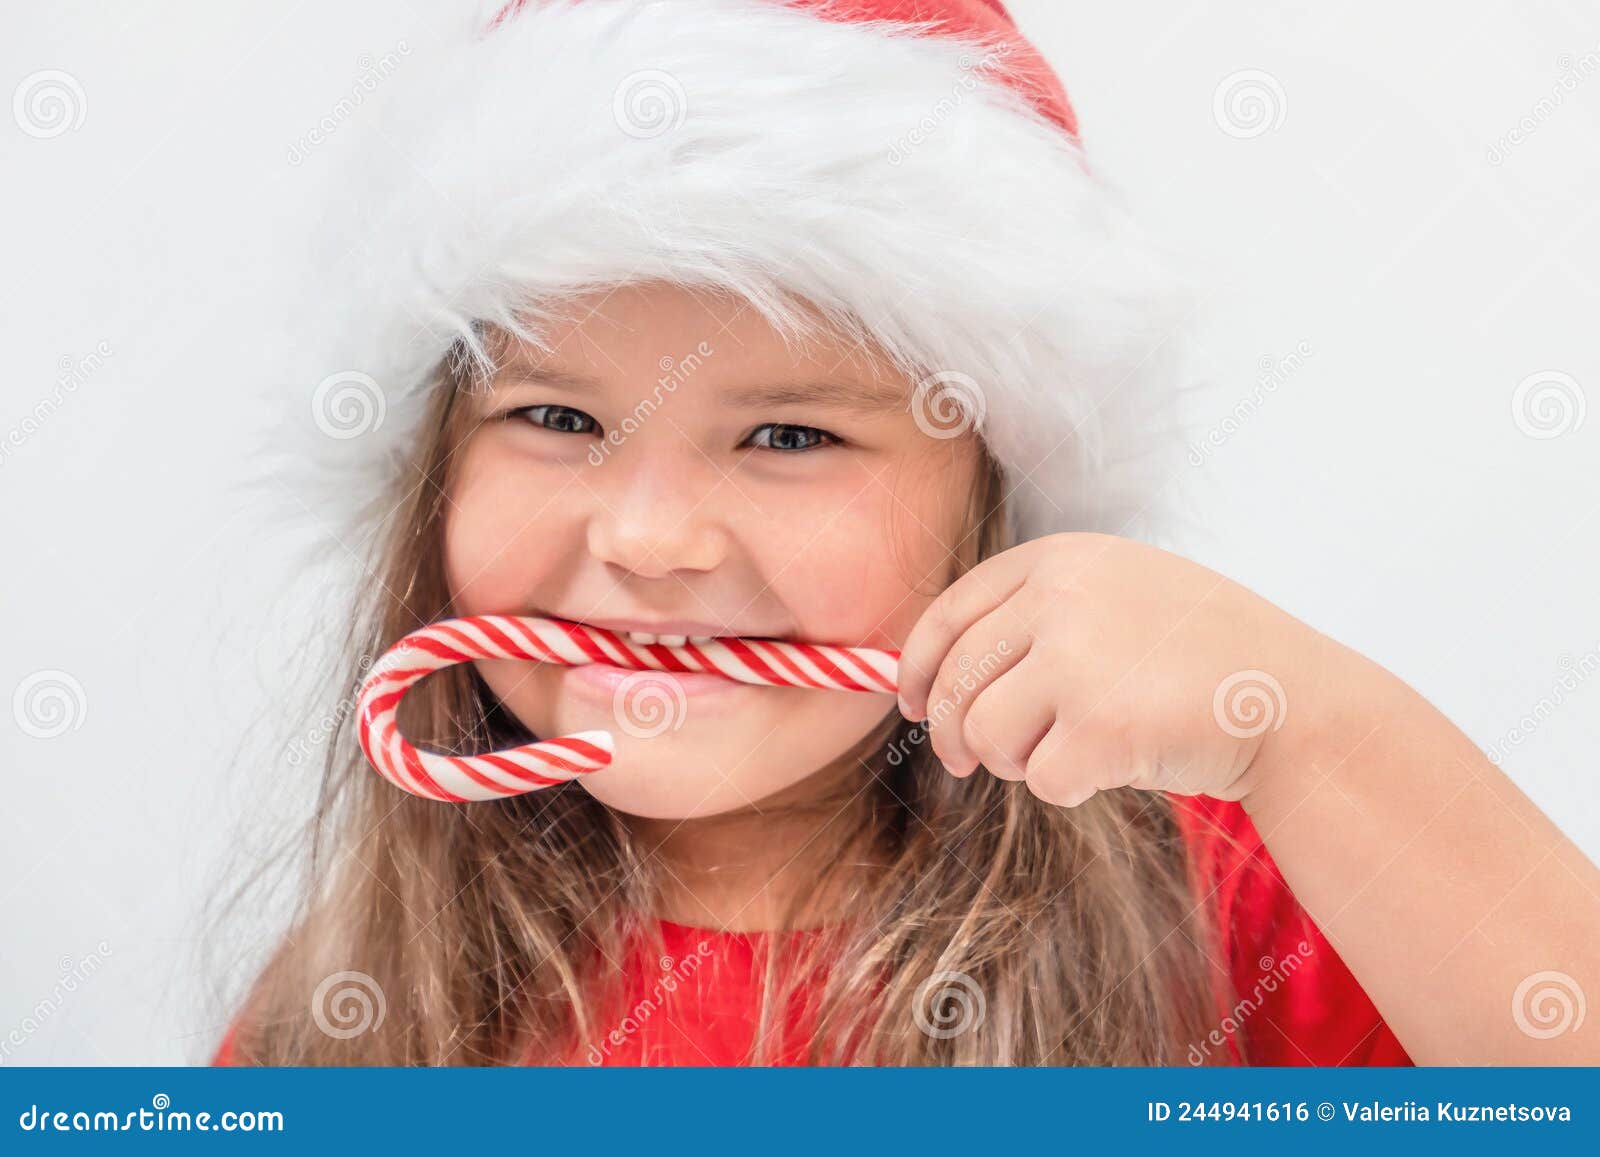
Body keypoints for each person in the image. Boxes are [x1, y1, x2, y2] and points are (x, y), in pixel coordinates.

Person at [211, 0, 1599, 1066]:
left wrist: (1304, 727)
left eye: (792, 436)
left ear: (991, 503)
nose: (647, 535)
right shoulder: (363, 1001)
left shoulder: (1216, 913)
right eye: (558, 419)